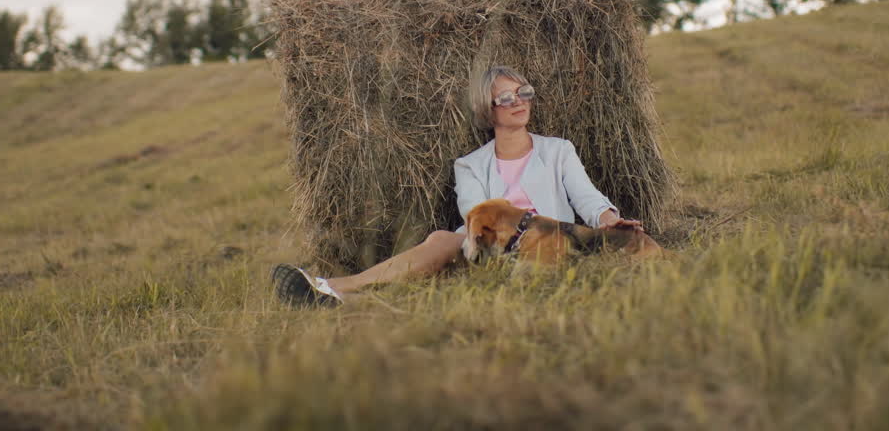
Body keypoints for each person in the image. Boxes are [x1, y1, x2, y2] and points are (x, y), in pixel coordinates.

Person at [272, 65, 646, 306]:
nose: (519, 102)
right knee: (442, 238)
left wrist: (609, 218)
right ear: (488, 109)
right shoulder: (469, 164)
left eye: (524, 93)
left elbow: (587, 197)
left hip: (549, 243)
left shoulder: (558, 151)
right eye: (506, 97)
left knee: (631, 243)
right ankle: (331, 289)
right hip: (491, 250)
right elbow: (474, 217)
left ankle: (334, 289)